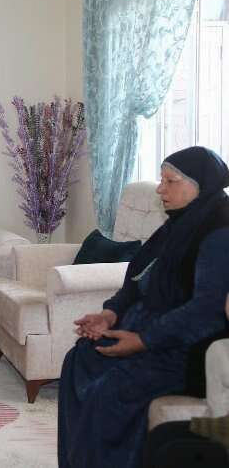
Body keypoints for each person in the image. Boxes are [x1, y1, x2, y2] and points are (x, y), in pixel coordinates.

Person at [57, 146, 229, 468]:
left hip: (182, 350)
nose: (161, 189)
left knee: (108, 394)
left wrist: (143, 341)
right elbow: (136, 280)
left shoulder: (219, 232)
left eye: (170, 181)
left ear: (200, 186)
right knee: (78, 360)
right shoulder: (176, 224)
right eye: (161, 180)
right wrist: (110, 314)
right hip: (142, 332)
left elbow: (206, 311)